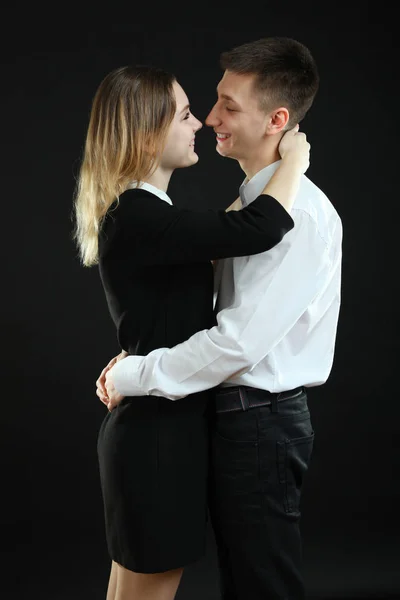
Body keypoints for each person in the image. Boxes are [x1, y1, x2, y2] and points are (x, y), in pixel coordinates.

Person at [98, 37, 343, 600]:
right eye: (205, 105)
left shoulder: (295, 214)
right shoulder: (243, 210)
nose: (209, 120)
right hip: (225, 418)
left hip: (260, 421)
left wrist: (133, 373)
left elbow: (236, 345)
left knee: (260, 585)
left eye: (228, 106)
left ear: (277, 119)